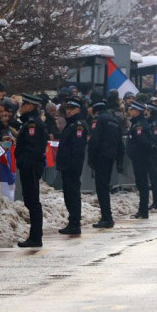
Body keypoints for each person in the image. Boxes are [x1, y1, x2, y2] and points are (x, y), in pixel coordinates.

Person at [13, 94, 50, 248]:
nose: (21, 106)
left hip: (31, 166)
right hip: (31, 165)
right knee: (31, 200)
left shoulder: (32, 125)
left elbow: (32, 148)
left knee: (33, 201)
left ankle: (36, 237)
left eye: (24, 104)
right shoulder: (30, 123)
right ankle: (35, 236)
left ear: (31, 106)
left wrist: (24, 162)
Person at [55, 97, 88, 235]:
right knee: (68, 194)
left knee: (72, 194)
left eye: (72, 108)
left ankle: (75, 223)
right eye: (67, 108)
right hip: (66, 165)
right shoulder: (71, 125)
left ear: (78, 110)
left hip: (72, 166)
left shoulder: (78, 125)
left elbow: (77, 148)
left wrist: (73, 165)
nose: (68, 111)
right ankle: (72, 221)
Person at [88, 99, 123, 228]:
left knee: (101, 188)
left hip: (100, 157)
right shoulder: (114, 120)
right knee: (105, 186)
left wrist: (91, 159)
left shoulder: (99, 120)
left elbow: (94, 141)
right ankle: (106, 216)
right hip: (110, 157)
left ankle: (106, 218)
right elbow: (120, 143)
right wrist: (119, 161)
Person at [126, 102, 154, 219]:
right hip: (139, 157)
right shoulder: (138, 123)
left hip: (140, 158)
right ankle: (142, 210)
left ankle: (143, 210)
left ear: (137, 111)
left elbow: (142, 141)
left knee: (142, 184)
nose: (130, 111)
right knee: (141, 184)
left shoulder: (139, 125)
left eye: (132, 109)